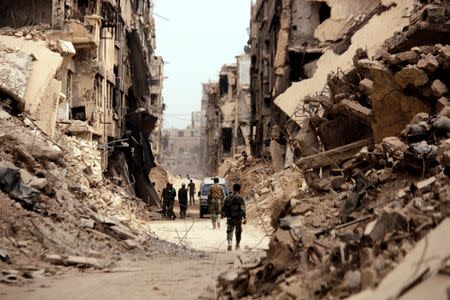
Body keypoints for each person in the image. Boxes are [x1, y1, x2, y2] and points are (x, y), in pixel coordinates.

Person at [222, 183, 246, 251]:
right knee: (238, 231)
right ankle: (237, 245)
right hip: (238, 218)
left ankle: (229, 242)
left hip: (230, 217)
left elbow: (224, 207)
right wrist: (244, 218)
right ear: (239, 189)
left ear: (233, 189)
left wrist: (222, 214)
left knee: (229, 230)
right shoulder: (241, 198)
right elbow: (243, 209)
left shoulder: (228, 197)